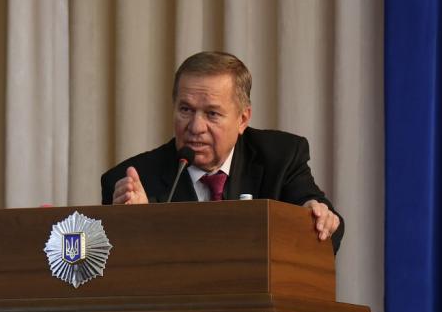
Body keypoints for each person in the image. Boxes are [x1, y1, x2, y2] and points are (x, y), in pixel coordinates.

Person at [101, 51, 343, 253]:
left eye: (212, 114)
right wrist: (137, 224)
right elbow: (115, 271)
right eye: (186, 110)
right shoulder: (134, 181)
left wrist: (315, 216)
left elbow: (322, 222)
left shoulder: (280, 157)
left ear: (243, 119)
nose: (196, 127)